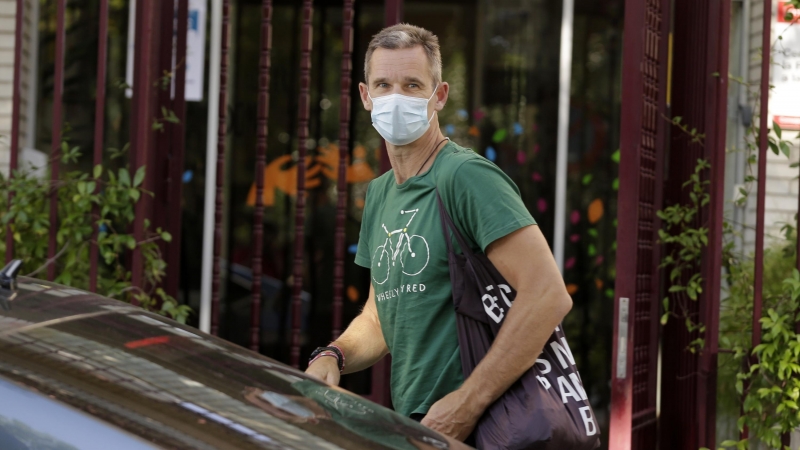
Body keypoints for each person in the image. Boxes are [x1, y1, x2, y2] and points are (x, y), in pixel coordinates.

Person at [305, 23, 573, 442]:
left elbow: (547, 295)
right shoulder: (379, 193)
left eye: (413, 85)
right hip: (421, 426)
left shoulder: (466, 177)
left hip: (485, 425)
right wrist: (333, 355)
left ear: (440, 95)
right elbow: (381, 316)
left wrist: (466, 404)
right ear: (365, 96)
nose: (396, 97)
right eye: (383, 84)